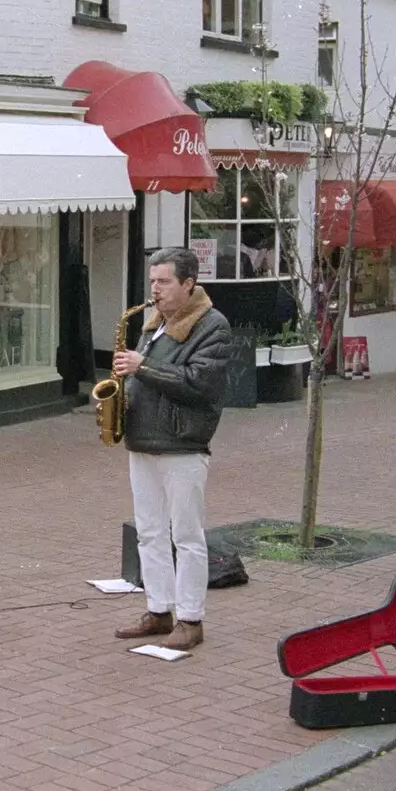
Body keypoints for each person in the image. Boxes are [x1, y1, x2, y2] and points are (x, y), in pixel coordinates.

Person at [112, 247, 233, 652]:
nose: (155, 290)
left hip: (182, 444)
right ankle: (159, 610)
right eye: (152, 282)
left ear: (188, 284)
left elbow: (200, 383)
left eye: (163, 282)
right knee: (149, 532)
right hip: (143, 440)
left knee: (186, 535)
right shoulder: (154, 325)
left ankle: (191, 619)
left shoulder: (213, 326)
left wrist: (141, 367)